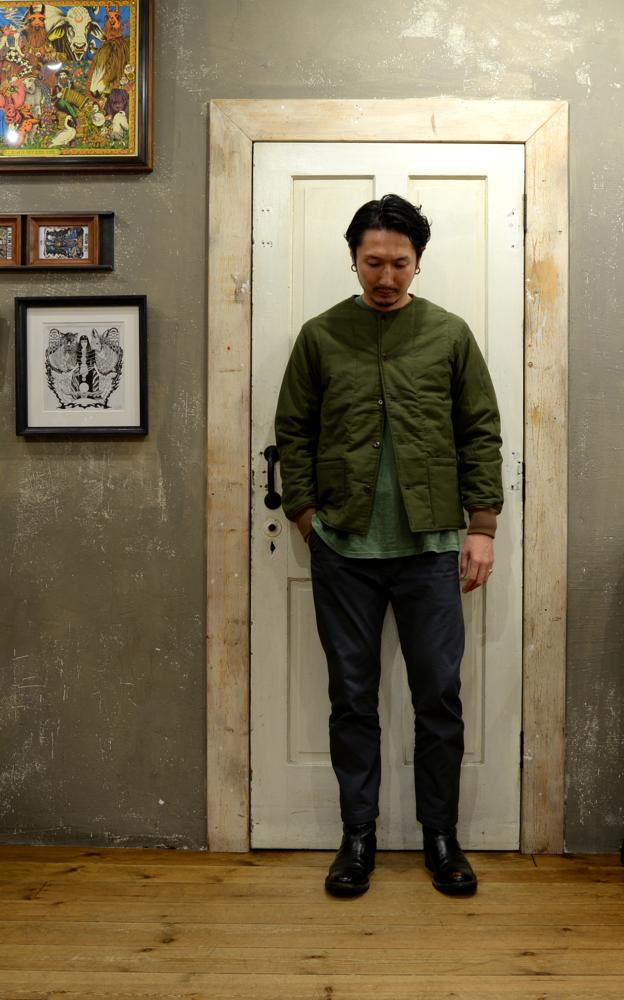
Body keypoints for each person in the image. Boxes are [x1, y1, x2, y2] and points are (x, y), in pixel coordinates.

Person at [274, 194, 503, 899]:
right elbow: (293, 432)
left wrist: (483, 526)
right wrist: (306, 517)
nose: (386, 276)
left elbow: (480, 430)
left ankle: (442, 837)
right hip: (343, 548)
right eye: (373, 262)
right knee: (351, 697)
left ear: (418, 261)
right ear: (353, 258)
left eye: (399, 263)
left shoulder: (450, 334)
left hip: (431, 548)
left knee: (439, 696)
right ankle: (357, 838)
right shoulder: (320, 336)